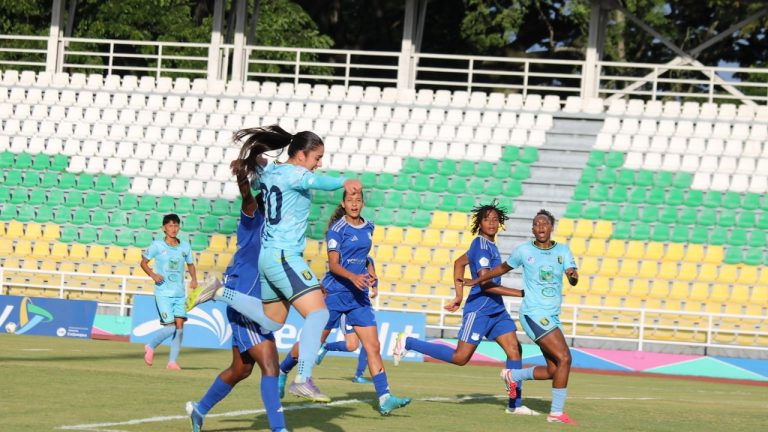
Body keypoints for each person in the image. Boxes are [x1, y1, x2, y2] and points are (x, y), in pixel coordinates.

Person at [192, 125, 362, 402]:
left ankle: (220, 292)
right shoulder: (297, 174)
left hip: (268, 257)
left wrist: (255, 164)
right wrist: (344, 181)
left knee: (272, 322)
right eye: (317, 158)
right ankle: (303, 378)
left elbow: (256, 180)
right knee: (318, 314)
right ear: (302, 155)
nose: (319, 164)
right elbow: (318, 182)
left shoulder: (272, 173)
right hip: (284, 256)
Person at [393, 201, 537, 415]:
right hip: (479, 310)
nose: (491, 223)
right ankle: (409, 342)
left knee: (515, 351)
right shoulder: (480, 246)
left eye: (495, 220)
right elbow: (486, 284)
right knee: (461, 358)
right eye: (487, 219)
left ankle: (514, 405)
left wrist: (458, 295)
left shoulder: (488, 245)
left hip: (496, 310)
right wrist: (522, 294)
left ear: (500, 224)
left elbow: (458, 264)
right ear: (479, 222)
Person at [278, 192, 410, 415]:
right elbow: (333, 265)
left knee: (373, 346)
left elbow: (365, 257)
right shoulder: (337, 230)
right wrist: (354, 277)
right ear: (343, 203)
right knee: (312, 343)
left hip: (358, 297)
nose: (354, 204)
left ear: (363, 203)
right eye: (350, 201)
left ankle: (385, 397)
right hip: (335, 294)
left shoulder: (369, 227)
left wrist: (371, 274)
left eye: (358, 200)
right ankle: (282, 371)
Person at [186, 158, 287, 432]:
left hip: (254, 302)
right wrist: (244, 174)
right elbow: (246, 196)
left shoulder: (279, 230)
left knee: (241, 369)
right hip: (242, 296)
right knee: (270, 366)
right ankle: (279, 429)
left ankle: (199, 409)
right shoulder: (254, 218)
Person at [459, 209, 579, 425]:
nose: (541, 227)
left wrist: (572, 276)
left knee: (554, 369)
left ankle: (513, 376)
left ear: (551, 227)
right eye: (536, 224)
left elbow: (572, 271)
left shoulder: (563, 250)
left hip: (552, 315)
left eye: (544, 224)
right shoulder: (523, 251)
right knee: (565, 358)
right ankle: (556, 413)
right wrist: (476, 281)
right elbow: (498, 270)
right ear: (532, 229)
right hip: (533, 313)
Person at [139, 213, 198, 370]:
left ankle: (172, 362)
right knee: (170, 327)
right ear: (164, 228)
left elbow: (191, 264)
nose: (174, 229)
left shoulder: (185, 246)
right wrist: (153, 275)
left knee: (179, 327)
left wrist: (194, 279)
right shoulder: (157, 246)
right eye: (170, 226)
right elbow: (143, 262)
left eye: (176, 225)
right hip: (163, 293)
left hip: (179, 294)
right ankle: (150, 346)